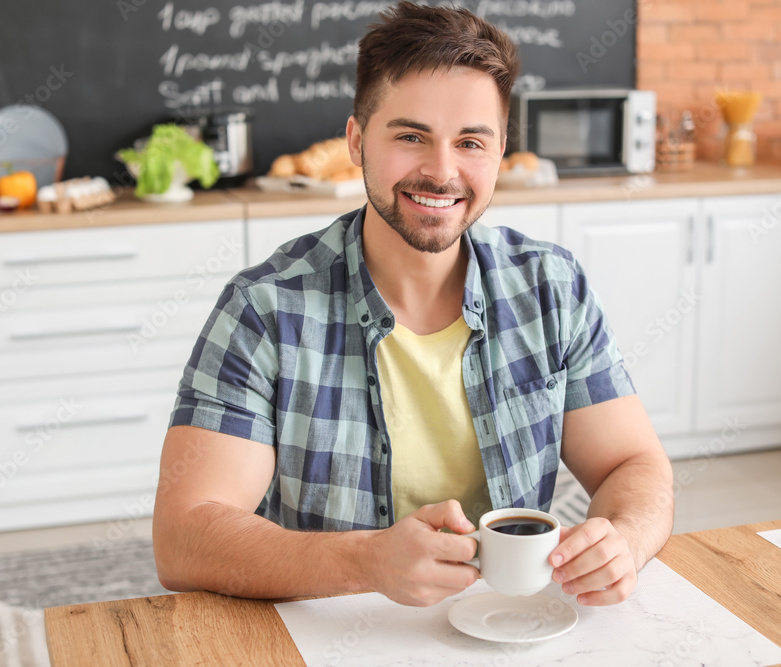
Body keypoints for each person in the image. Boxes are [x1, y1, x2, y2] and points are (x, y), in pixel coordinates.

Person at [153, 1, 673, 608]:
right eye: (410, 136)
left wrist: (626, 540)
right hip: (328, 635)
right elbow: (183, 538)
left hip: (510, 627)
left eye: (471, 142)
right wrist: (368, 561)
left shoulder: (551, 289)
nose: (442, 171)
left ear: (500, 151)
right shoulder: (263, 309)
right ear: (356, 140)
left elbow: (633, 463)